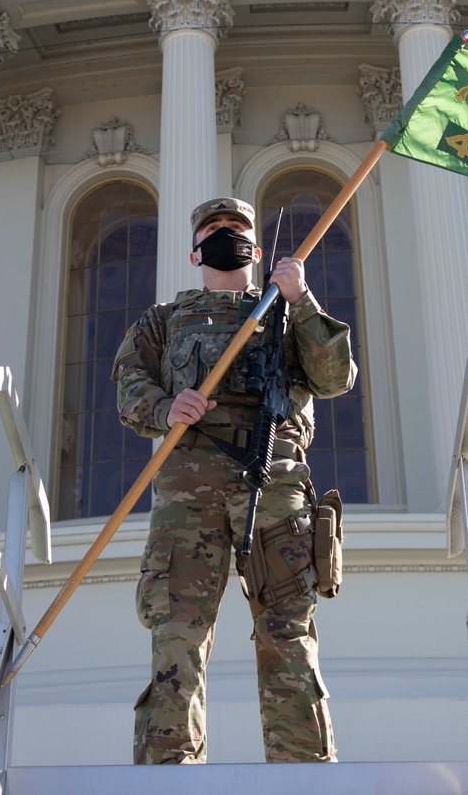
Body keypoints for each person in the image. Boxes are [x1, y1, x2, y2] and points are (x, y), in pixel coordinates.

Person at [111, 195, 356, 764]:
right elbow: (129, 384)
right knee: (177, 638)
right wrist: (165, 408)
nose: (226, 234)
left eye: (237, 227)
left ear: (258, 247)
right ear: (195, 251)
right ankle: (170, 774)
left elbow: (336, 376)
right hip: (188, 491)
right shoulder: (164, 319)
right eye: (214, 228)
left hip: (274, 481)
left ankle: (303, 774)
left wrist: (301, 298)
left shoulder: (289, 312)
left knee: (287, 633)